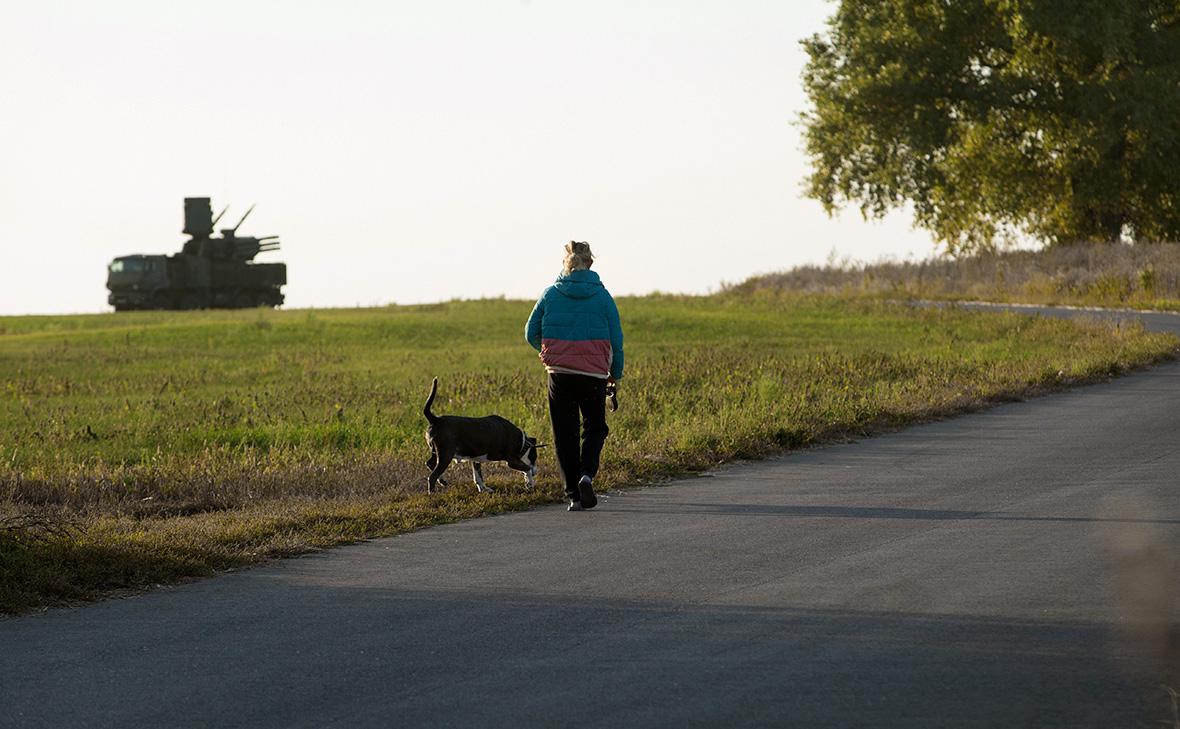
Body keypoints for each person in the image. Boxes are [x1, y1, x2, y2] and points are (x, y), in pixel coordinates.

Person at [525, 241, 625, 511]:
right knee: (595, 427)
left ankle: (573, 496)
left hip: (559, 374)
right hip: (593, 374)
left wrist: (548, 352)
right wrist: (615, 373)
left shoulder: (550, 294)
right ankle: (586, 476)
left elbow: (530, 332)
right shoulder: (603, 297)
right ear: (590, 264)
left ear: (564, 264)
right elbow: (616, 340)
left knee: (564, 434)